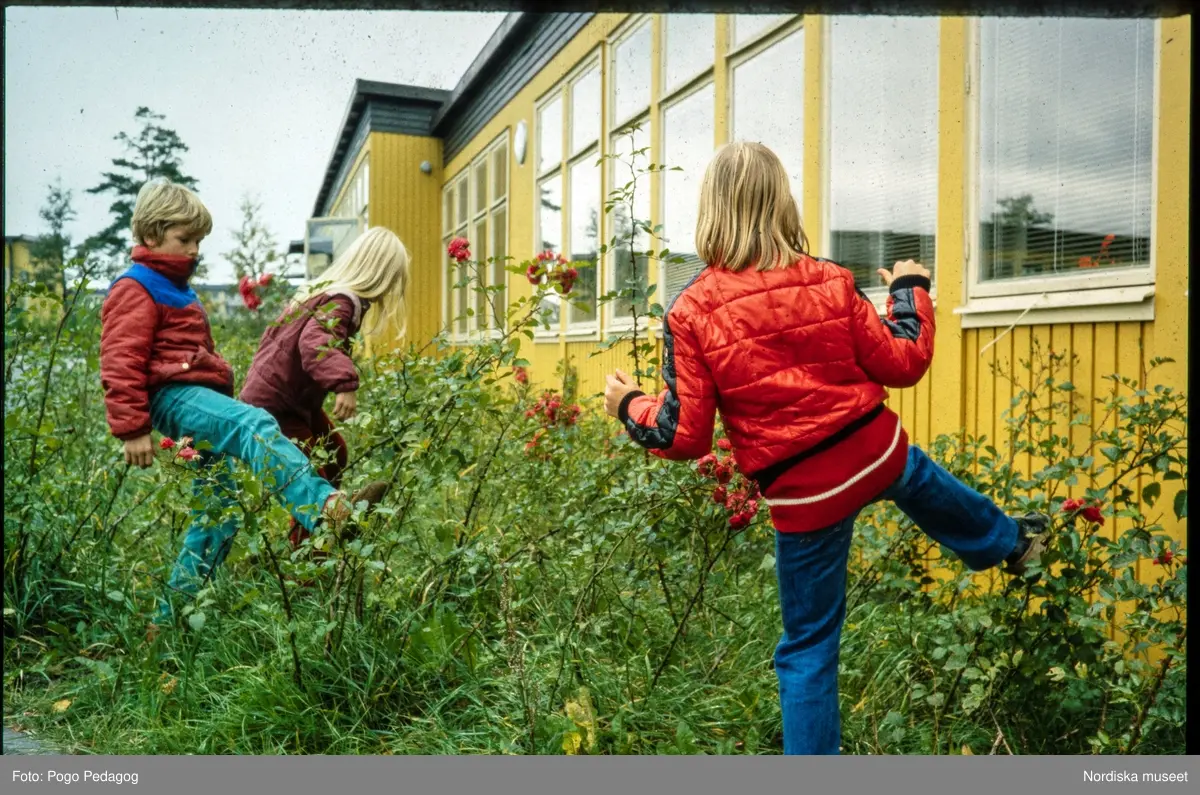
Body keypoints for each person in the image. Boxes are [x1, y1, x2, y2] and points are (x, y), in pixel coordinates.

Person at [602, 141, 1050, 755]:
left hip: (805, 490)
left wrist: (628, 404)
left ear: (710, 209)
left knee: (809, 646)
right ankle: (1012, 542)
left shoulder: (693, 309)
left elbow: (685, 436)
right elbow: (904, 360)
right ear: (783, 203)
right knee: (915, 476)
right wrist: (910, 291)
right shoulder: (830, 278)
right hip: (872, 448)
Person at [98, 179, 388, 625]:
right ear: (151, 235)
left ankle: (168, 623)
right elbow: (120, 360)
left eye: (199, 240)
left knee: (219, 515)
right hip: (172, 398)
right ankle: (326, 508)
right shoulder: (136, 286)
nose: (195, 249)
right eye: (185, 239)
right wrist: (132, 428)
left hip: (199, 401)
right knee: (254, 424)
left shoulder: (178, 287)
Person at [240, 226, 409, 553]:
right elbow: (315, 343)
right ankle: (310, 554)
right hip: (275, 405)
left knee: (336, 451)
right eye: (392, 279)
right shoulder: (341, 300)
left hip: (292, 400)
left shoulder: (329, 293)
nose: (391, 289)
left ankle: (331, 522)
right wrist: (344, 385)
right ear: (377, 273)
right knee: (306, 475)